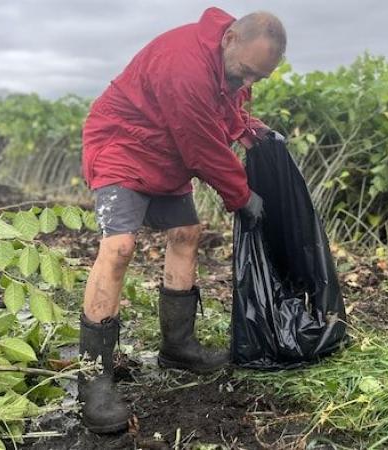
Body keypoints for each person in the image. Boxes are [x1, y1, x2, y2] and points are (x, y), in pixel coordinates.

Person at [79, 7, 286, 433]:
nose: (247, 83)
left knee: (187, 233)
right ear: (229, 39)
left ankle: (178, 346)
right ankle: (93, 379)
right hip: (122, 146)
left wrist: (252, 130)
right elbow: (200, 143)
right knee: (118, 248)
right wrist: (240, 196)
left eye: (258, 79)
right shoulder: (184, 62)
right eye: (246, 72)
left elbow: (224, 114)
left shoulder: (230, 68)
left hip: (165, 152)